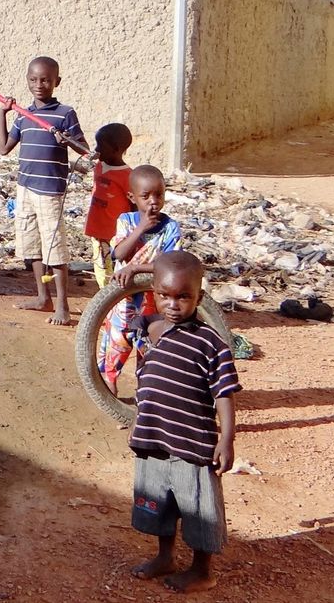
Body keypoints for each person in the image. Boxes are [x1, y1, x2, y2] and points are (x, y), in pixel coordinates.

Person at [129, 250, 240, 593]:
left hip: (192, 444)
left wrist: (226, 439)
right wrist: (141, 321)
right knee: (159, 504)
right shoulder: (152, 329)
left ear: (199, 297)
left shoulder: (211, 344)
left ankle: (202, 570)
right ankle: (165, 557)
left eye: (183, 297)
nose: (173, 304)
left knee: (198, 509)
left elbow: (224, 393)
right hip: (154, 437)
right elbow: (136, 323)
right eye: (164, 295)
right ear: (154, 293)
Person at [0, 56, 89, 325]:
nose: (40, 85)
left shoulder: (65, 114)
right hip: (25, 187)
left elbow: (84, 149)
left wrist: (67, 139)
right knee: (32, 244)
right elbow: (4, 149)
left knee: (55, 248)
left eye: (46, 80)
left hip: (50, 191)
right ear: (27, 81)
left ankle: (63, 305)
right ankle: (42, 297)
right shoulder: (24, 117)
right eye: (34, 80)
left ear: (56, 82)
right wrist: (2, 114)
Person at [98, 164, 181, 395]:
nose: (153, 201)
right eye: (146, 196)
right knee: (119, 342)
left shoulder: (170, 228)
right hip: (123, 298)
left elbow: (169, 265)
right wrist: (141, 228)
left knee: (150, 347)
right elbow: (119, 253)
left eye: (159, 195)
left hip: (154, 299)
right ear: (132, 197)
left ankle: (144, 396)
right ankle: (109, 391)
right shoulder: (126, 221)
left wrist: (136, 269)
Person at [84, 123, 133, 288]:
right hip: (98, 229)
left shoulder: (127, 176)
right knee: (101, 268)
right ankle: (104, 301)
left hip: (117, 234)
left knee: (119, 267)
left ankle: (117, 301)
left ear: (116, 149)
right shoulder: (99, 166)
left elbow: (134, 205)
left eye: (101, 146)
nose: (97, 149)